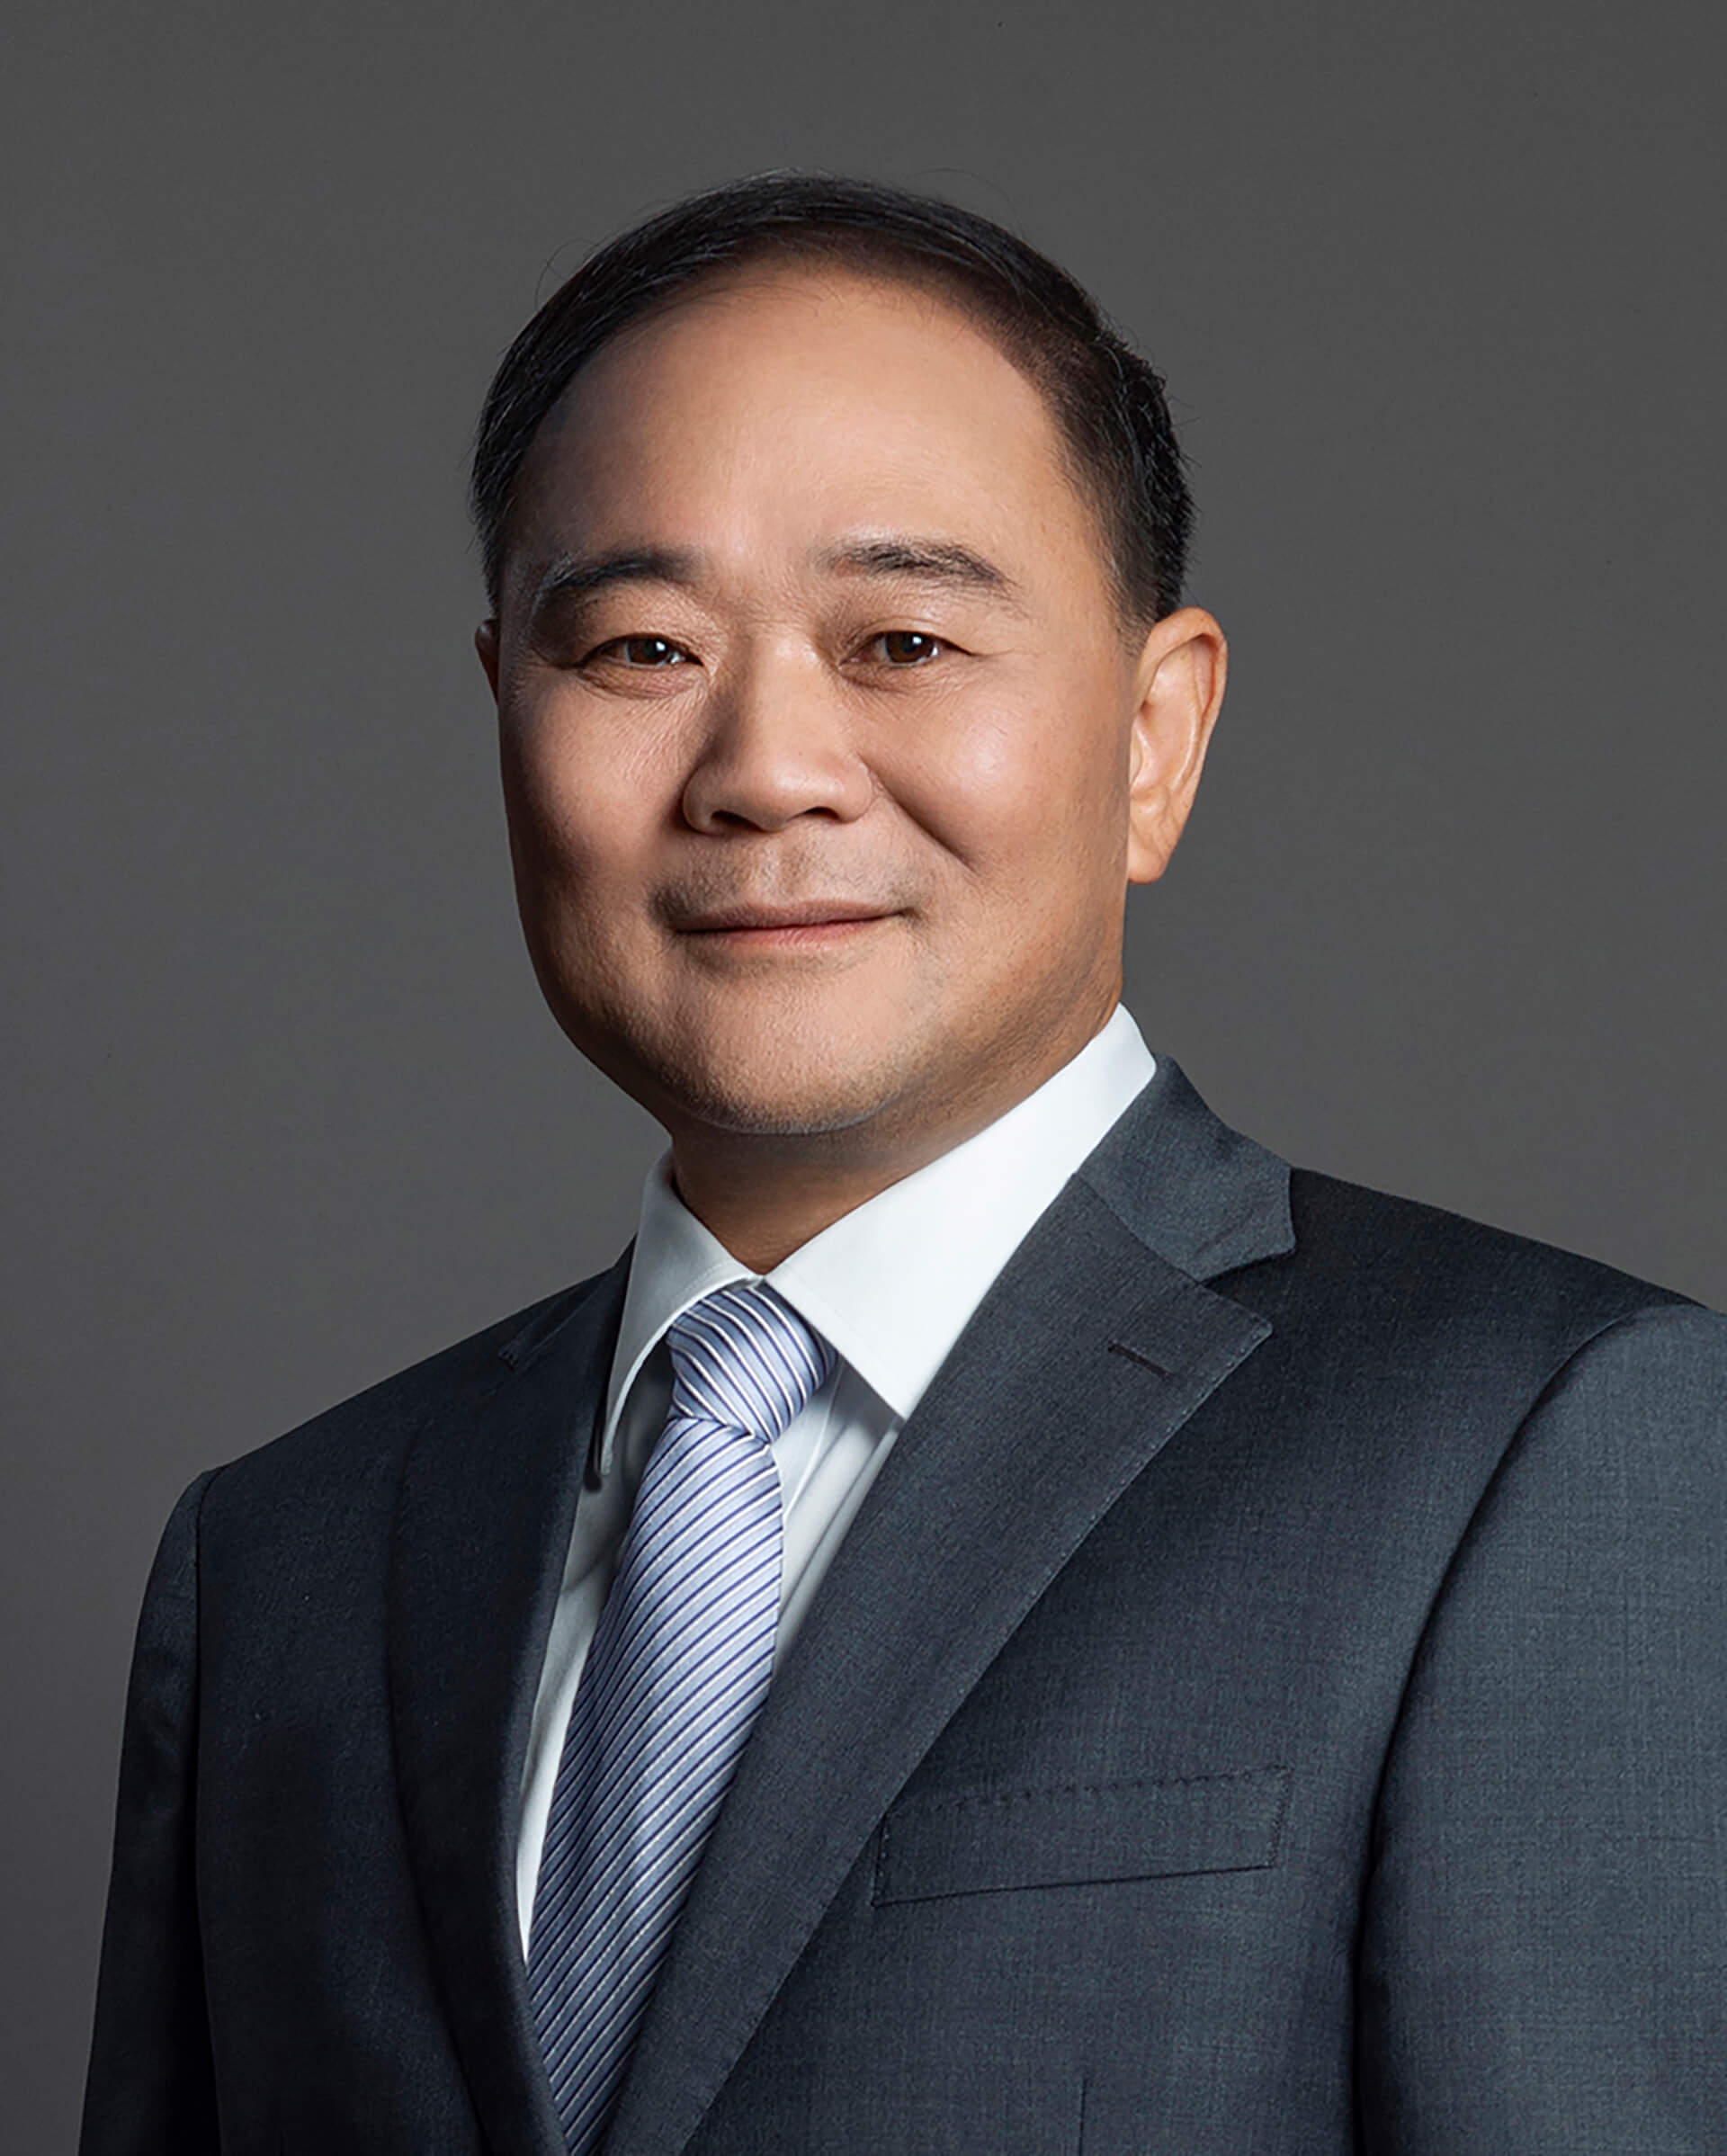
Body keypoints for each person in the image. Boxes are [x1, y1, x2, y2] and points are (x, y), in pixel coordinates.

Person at [80, 172, 1725, 2156]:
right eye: (640, 647)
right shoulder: (283, 1564)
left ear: (1155, 735)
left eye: (905, 639)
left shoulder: (1536, 1447)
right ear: (503, 702)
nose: (766, 768)